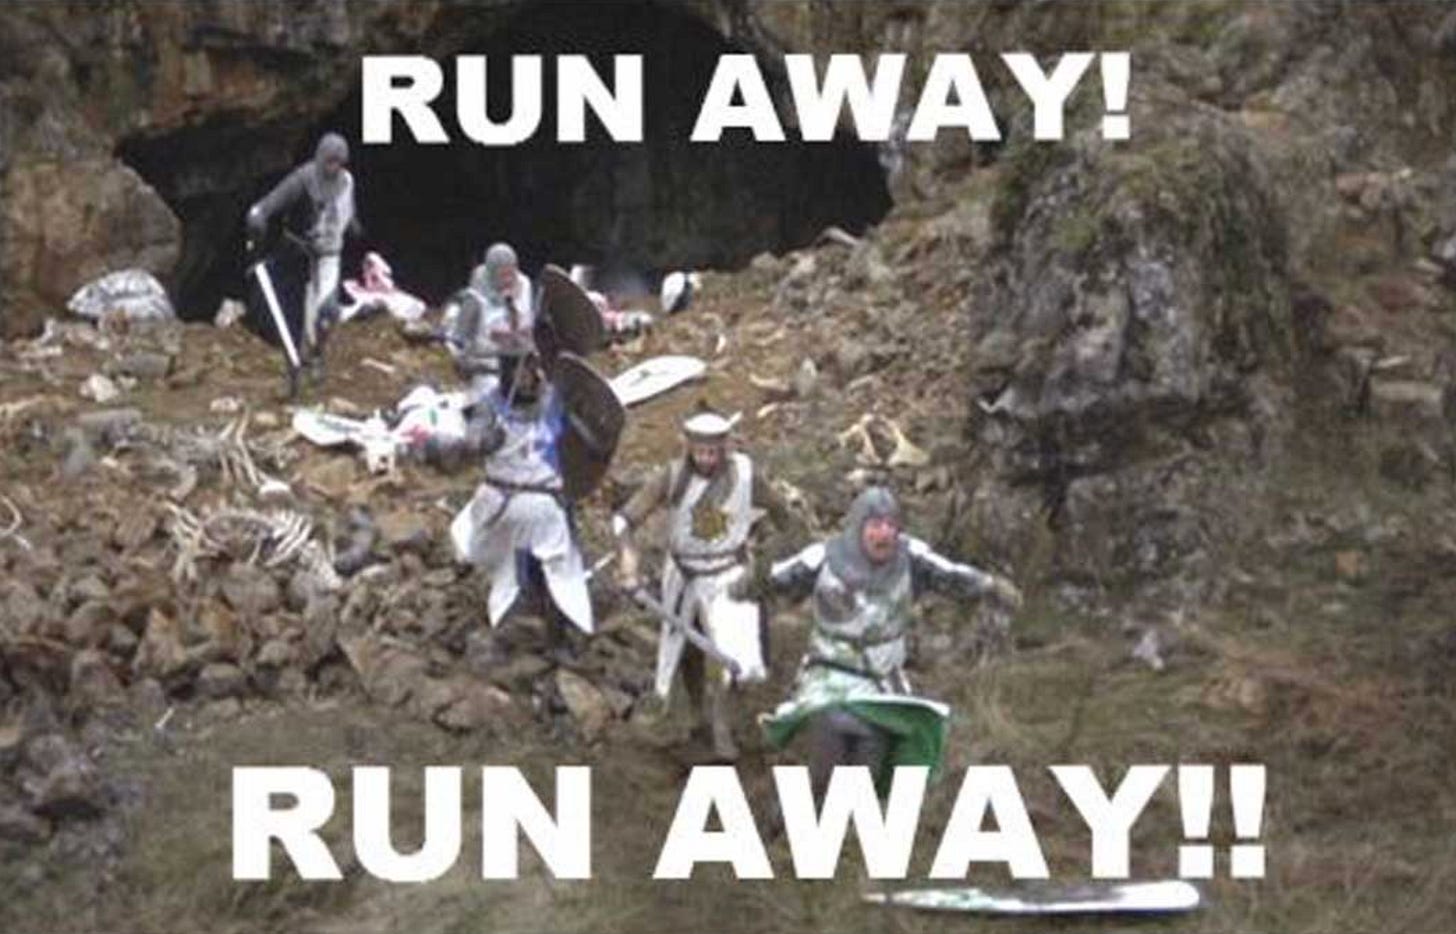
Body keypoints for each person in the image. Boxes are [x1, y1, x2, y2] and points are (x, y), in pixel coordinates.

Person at [756, 486, 1022, 799]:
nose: (884, 533)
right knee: (827, 761)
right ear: (858, 528)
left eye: (890, 525)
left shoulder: (911, 557)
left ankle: (848, 821)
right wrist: (740, 583)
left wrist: (989, 585)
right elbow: (772, 579)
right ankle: (796, 815)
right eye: (875, 525)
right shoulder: (823, 557)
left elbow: (950, 575)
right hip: (828, 675)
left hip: (881, 681)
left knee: (867, 769)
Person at [612, 408, 799, 761]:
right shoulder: (671, 477)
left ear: (726, 447)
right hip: (684, 574)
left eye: (714, 451)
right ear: (688, 447)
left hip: (729, 574)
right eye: (700, 451)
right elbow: (624, 520)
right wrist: (628, 561)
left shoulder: (746, 475)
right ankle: (695, 714)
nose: (707, 459)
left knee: (730, 654)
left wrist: (763, 563)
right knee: (687, 645)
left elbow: (784, 517)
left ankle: (722, 721)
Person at [444, 351, 594, 656]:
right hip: (502, 502)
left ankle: (558, 634)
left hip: (547, 503)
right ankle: (511, 630)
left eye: (530, 371)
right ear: (507, 374)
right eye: (519, 373)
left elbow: (583, 435)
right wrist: (485, 440)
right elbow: (471, 443)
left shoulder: (553, 401)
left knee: (559, 571)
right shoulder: (489, 406)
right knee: (504, 567)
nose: (526, 379)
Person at [245, 132, 361, 373]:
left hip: (328, 256)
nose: (334, 167)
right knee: (290, 313)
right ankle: (292, 357)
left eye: (339, 162)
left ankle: (316, 355)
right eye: (330, 161)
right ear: (320, 158)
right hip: (296, 255)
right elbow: (268, 205)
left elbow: (346, 214)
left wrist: (354, 229)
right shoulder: (303, 180)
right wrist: (258, 218)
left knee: (327, 311)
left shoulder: (346, 182)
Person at [445, 242, 536, 390]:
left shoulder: (525, 284)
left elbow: (529, 322)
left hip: (521, 364)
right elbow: (459, 343)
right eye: (502, 276)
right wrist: (472, 361)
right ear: (491, 274)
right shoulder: (475, 299)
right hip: (488, 368)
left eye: (511, 274)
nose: (508, 280)